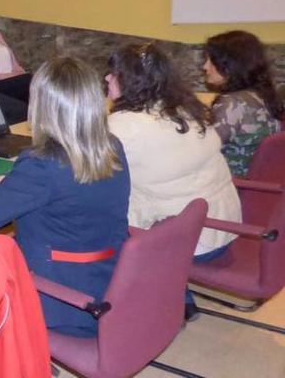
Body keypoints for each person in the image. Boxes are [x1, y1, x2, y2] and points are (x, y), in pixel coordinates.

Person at [0, 57, 129, 337]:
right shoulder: (111, 146)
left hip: (63, 301)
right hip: (111, 284)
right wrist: (15, 183)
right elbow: (66, 192)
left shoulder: (43, 163)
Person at [106, 43, 241, 320]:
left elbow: (83, 170)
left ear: (131, 81)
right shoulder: (188, 109)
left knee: (91, 216)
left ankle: (145, 299)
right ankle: (177, 294)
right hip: (225, 226)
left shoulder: (123, 126)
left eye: (113, 73)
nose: (107, 78)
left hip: (185, 243)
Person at [203, 31, 284, 177]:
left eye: (211, 60)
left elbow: (201, 151)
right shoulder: (265, 97)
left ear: (230, 64)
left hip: (229, 188)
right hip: (255, 187)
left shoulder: (232, 104)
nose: (205, 66)